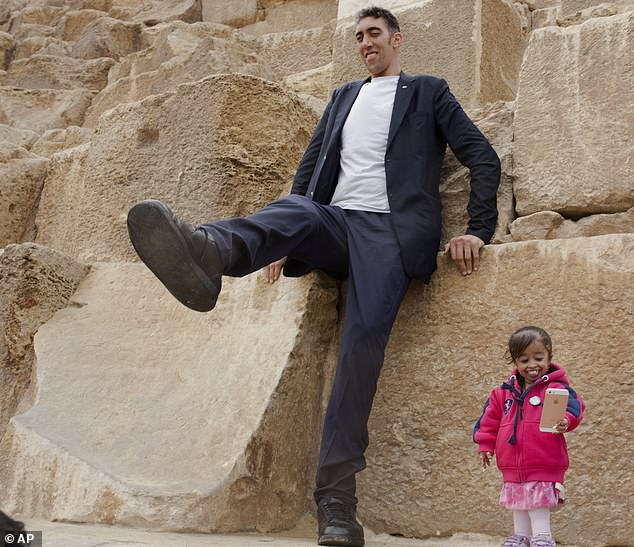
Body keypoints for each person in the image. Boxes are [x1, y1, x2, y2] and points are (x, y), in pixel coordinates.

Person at [127, 6, 500, 546]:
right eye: (358, 37)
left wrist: (479, 230)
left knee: (361, 347)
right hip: (336, 223)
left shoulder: (427, 92)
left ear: (397, 39)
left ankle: (337, 505)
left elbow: (481, 156)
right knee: (296, 210)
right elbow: (308, 174)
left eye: (374, 34)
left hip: (390, 235)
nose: (365, 43)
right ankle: (210, 251)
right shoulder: (342, 97)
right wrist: (279, 238)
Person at [473, 326, 585, 547]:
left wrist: (566, 421)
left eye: (538, 357)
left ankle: (542, 536)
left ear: (549, 357)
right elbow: (488, 421)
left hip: (545, 458)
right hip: (512, 463)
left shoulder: (556, 387)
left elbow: (575, 408)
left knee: (537, 499)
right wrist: (485, 445)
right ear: (515, 362)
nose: (532, 365)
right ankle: (521, 535)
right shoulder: (502, 393)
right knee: (518, 499)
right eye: (524, 360)